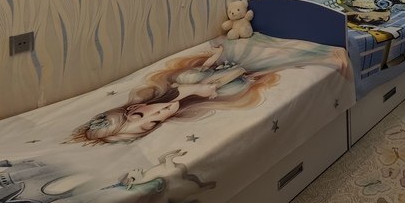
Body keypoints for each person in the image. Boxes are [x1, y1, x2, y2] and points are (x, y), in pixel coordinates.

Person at [69, 55, 281, 145]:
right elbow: (240, 77)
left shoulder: (179, 81)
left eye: (140, 115)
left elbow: (210, 70)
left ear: (135, 106)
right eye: (152, 123)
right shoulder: (202, 102)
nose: (159, 114)